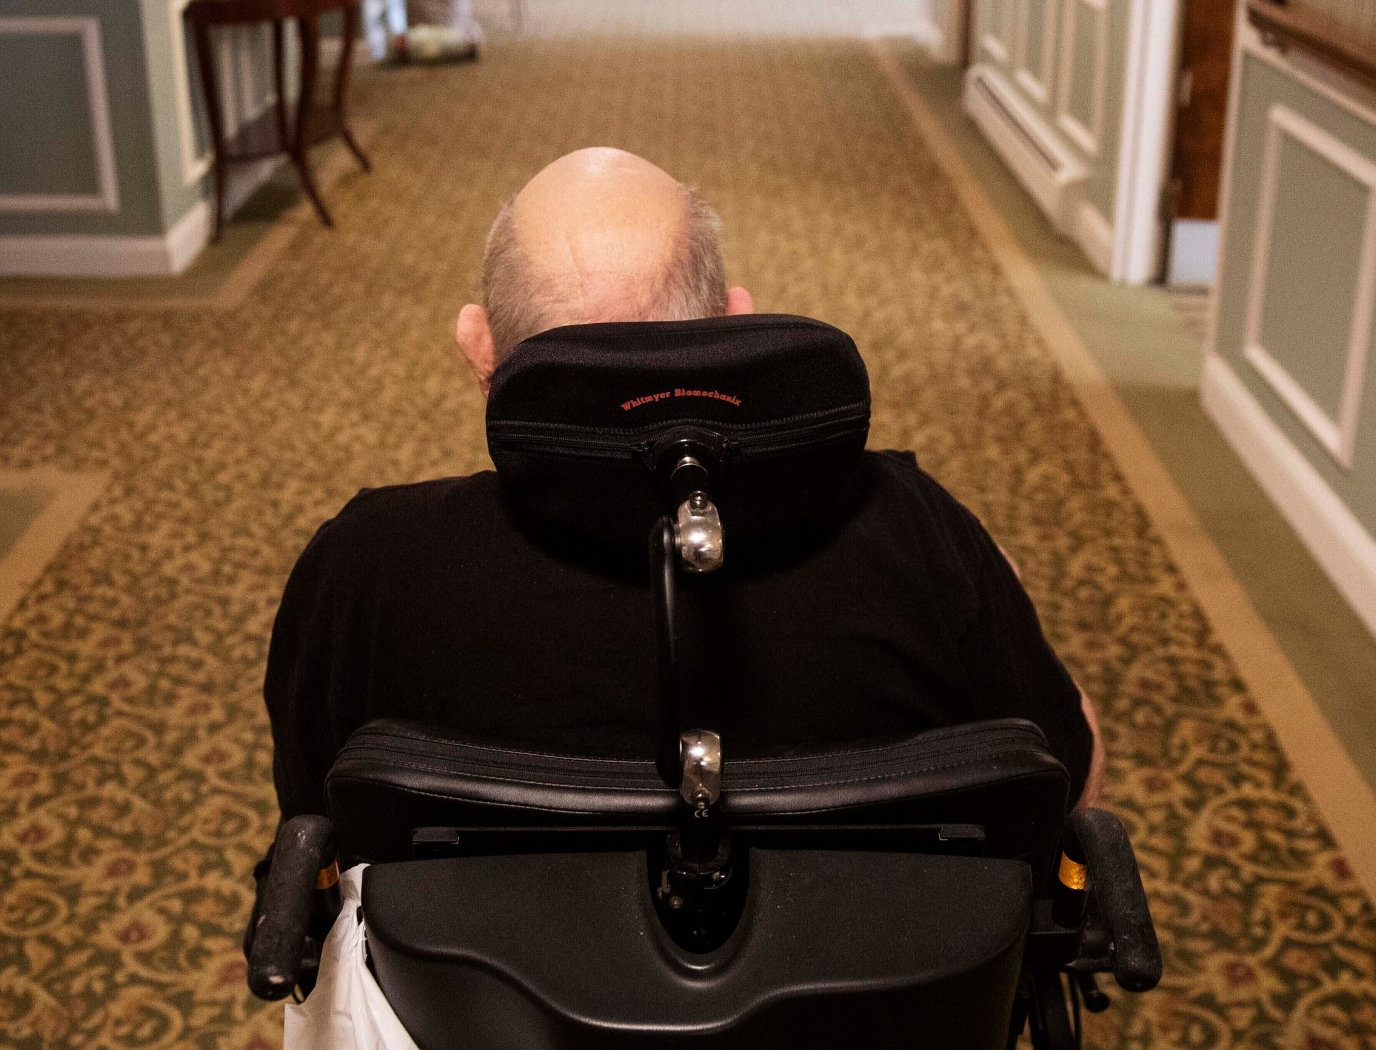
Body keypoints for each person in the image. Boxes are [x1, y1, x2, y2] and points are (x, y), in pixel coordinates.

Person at [264, 148, 1104, 824]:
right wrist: (986, 581)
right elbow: (1065, 788)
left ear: (481, 353)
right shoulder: (914, 531)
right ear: (734, 323)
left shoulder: (366, 567)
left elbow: (315, 827)